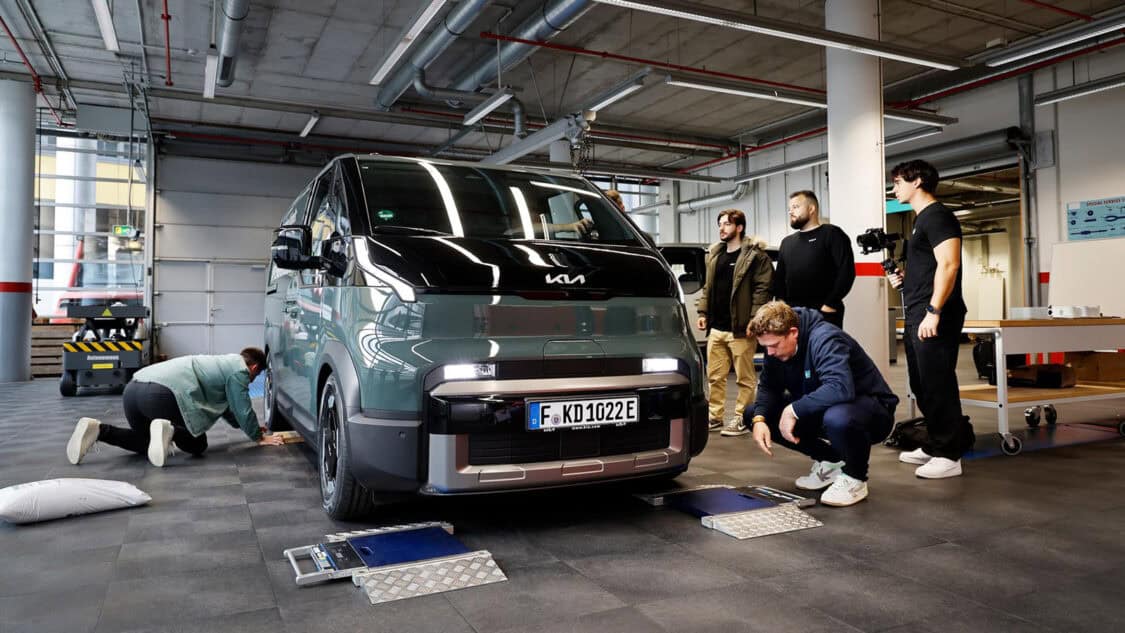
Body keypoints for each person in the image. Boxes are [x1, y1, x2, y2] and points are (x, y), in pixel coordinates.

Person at [747, 301, 899, 506]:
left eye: (774, 345)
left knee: (837, 417)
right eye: (765, 347)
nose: (770, 353)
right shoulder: (774, 347)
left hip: (872, 411)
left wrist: (793, 410)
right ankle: (831, 461)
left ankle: (855, 478)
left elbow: (840, 387)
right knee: (753, 413)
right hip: (827, 407)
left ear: (793, 332)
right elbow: (768, 387)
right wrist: (759, 419)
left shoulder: (825, 338)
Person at [66, 347, 284, 467]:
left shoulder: (222, 362)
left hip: (133, 390)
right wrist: (258, 437)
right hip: (161, 394)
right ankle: (169, 430)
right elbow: (241, 404)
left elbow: (230, 409)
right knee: (198, 445)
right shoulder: (239, 370)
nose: (252, 380)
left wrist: (252, 428)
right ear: (254, 367)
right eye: (256, 375)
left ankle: (99, 430)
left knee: (145, 443)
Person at [887, 159, 968, 479]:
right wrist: (905, 279)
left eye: (897, 182)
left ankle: (950, 454)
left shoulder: (938, 216)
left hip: (936, 313)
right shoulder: (921, 221)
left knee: (938, 382)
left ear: (917, 181)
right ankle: (935, 442)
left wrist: (934, 311)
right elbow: (932, 269)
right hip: (917, 310)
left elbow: (949, 265)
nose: (894, 188)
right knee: (921, 383)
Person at [696, 209, 774, 437]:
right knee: (715, 376)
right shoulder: (714, 254)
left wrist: (753, 320)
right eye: (720, 224)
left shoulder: (755, 257)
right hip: (717, 328)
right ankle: (714, 416)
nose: (721, 228)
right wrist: (703, 311)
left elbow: (762, 290)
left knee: (744, 378)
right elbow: (708, 288)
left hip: (741, 328)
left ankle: (742, 417)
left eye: (726, 224)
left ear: (739, 227)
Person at [773, 190, 855, 329]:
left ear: (811, 209)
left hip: (824, 314)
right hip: (793, 316)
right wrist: (781, 309)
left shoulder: (832, 234)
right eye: (789, 208)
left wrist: (830, 304)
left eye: (796, 207)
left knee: (825, 350)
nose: (791, 212)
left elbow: (846, 271)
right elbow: (779, 280)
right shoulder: (787, 242)